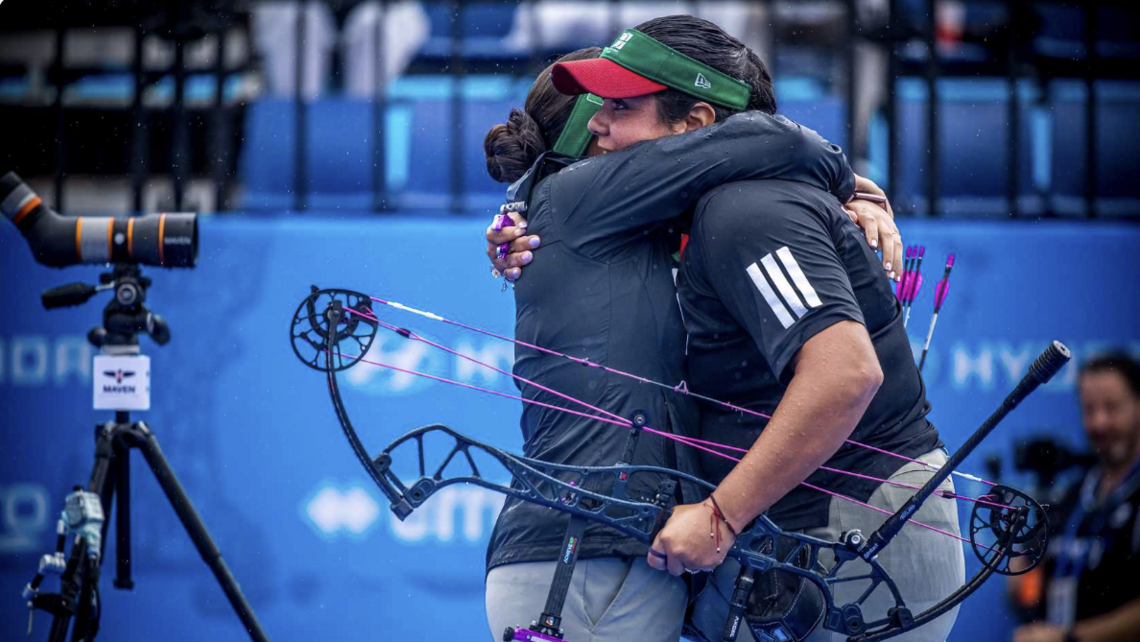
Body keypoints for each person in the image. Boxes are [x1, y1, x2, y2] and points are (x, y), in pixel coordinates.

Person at [480, 21, 898, 642]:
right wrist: (848, 183)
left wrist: (838, 212)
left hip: (594, 558)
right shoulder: (575, 195)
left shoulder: (606, 224)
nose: (606, 123)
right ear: (585, 138)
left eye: (624, 105)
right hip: (588, 560)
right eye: (608, 108)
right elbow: (767, 138)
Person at [1011, 353, 1140, 642]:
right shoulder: (1073, 496)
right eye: (1089, 410)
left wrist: (1070, 638)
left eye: (1112, 407)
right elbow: (1024, 594)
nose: (1100, 422)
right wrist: (1017, 554)